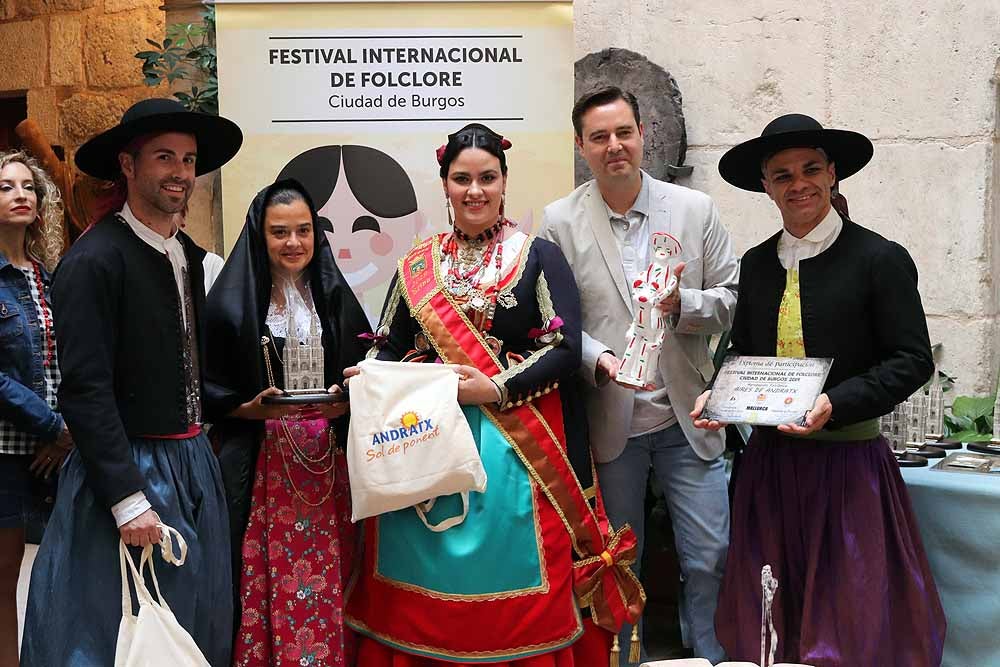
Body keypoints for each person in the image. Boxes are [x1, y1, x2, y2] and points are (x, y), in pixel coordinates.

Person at [344, 123, 643, 666]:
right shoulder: (417, 263)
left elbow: (563, 348)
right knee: (423, 563)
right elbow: (389, 344)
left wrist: (496, 387)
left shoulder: (539, 256)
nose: (475, 190)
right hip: (428, 443)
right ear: (445, 185)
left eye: (487, 178)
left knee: (512, 562)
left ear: (504, 183)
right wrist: (369, 375)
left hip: (518, 447)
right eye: (462, 179)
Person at [694, 113, 946, 666]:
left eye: (810, 169)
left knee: (847, 617)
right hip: (771, 469)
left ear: (833, 174)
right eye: (782, 175)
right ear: (766, 186)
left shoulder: (879, 258)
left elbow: (911, 360)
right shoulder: (757, 265)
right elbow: (744, 352)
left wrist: (837, 402)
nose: (798, 183)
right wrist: (719, 393)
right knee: (771, 611)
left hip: (848, 466)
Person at [20, 97, 244, 666]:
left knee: (193, 625)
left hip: (192, 465)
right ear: (128, 165)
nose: (180, 173)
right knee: (116, 635)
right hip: (130, 472)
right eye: (164, 157)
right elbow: (85, 391)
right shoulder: (94, 261)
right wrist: (126, 500)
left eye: (189, 160)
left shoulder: (187, 256)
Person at [540, 87, 737, 664]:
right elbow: (555, 325)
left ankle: (709, 654)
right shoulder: (559, 221)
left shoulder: (694, 210)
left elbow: (732, 297)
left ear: (642, 133)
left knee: (710, 553)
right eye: (599, 137)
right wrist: (598, 360)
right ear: (581, 146)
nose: (614, 146)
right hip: (611, 421)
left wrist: (682, 303)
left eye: (623, 132)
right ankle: (624, 659)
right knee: (616, 559)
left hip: (687, 414)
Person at [204, 179, 371, 666]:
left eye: (303, 230)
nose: (293, 243)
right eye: (280, 233)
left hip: (327, 463)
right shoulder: (231, 306)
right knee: (266, 572)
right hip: (262, 464)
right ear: (260, 236)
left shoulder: (334, 297)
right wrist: (254, 408)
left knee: (335, 568)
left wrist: (347, 400)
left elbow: (365, 368)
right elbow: (208, 393)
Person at [0, 150, 69, 666]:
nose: (20, 194)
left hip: (59, 449)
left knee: (60, 577)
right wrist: (49, 426)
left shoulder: (45, 275)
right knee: (3, 585)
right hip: (6, 451)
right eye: (5, 187)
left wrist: (66, 433)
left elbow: (66, 361)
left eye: (28, 186)